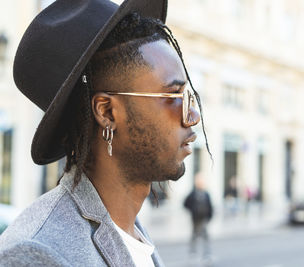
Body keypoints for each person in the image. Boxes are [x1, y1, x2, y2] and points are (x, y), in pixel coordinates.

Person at [0, 0, 211, 266]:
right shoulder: (39, 253)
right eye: (172, 96)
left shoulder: (131, 231)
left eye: (189, 96)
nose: (193, 116)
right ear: (107, 112)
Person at [184, 173, 213, 261]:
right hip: (195, 219)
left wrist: (210, 216)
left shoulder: (206, 194)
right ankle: (193, 252)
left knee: (205, 236)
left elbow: (210, 206)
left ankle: (206, 254)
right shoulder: (193, 193)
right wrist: (192, 210)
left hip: (204, 219)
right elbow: (185, 203)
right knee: (194, 236)